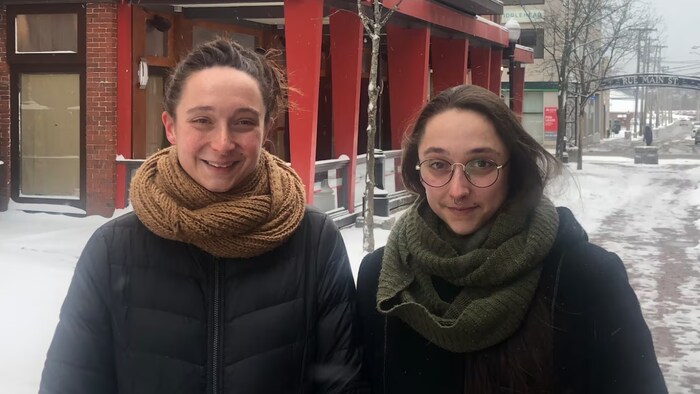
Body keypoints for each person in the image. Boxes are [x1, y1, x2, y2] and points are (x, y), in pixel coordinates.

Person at [39, 38, 365, 393]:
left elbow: (342, 384)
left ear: (266, 128)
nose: (223, 143)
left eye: (243, 122)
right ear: (171, 127)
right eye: (202, 120)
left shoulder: (313, 242)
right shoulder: (113, 250)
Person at [356, 85, 667, 393]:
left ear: (513, 168)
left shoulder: (587, 278)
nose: (458, 190)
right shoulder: (384, 279)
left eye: (482, 164)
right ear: (417, 169)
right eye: (438, 165)